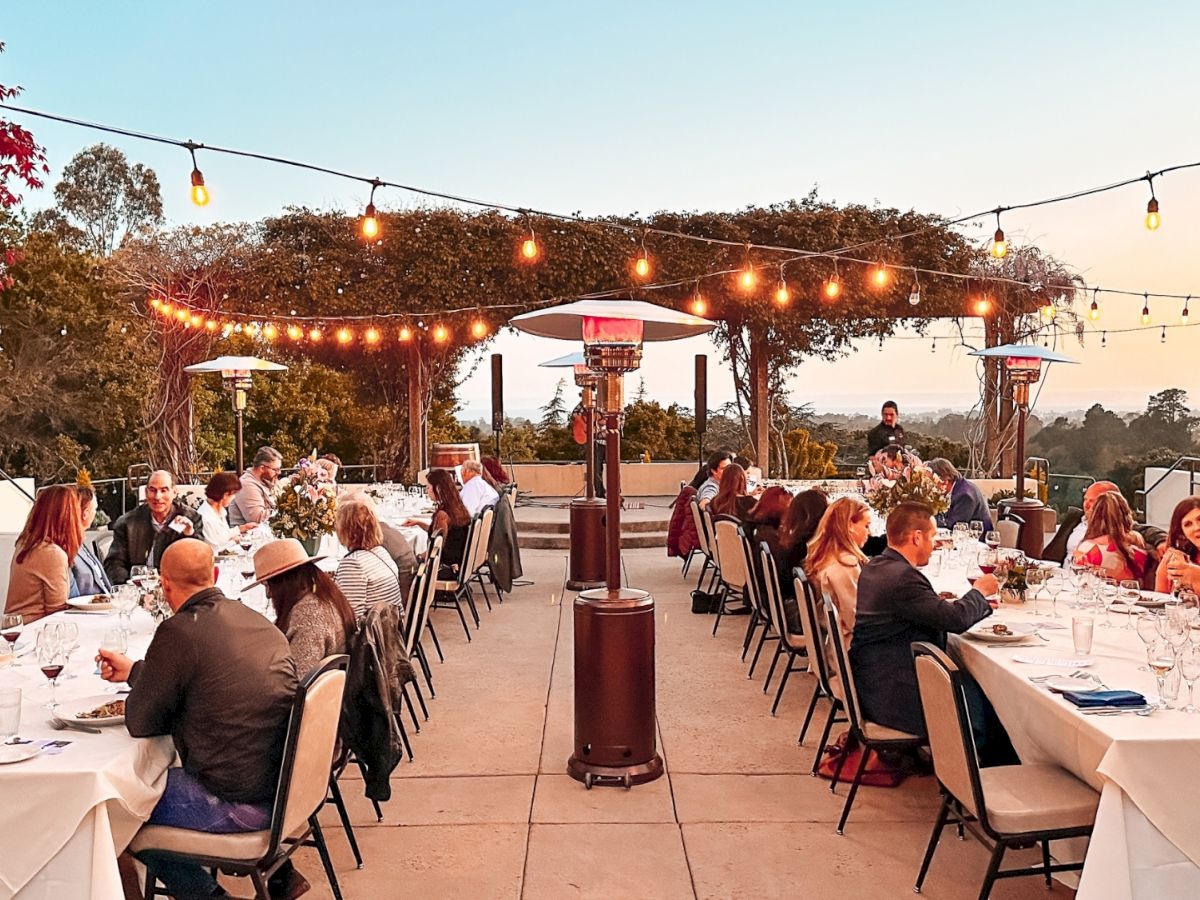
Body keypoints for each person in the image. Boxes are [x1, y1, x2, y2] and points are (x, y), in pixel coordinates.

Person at [96, 540, 301, 900]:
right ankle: (272, 874)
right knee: (139, 789)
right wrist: (138, 672)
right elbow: (211, 675)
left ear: (165, 586)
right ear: (216, 574)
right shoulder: (256, 621)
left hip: (236, 802)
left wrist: (148, 684)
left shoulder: (178, 631)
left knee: (114, 808)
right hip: (285, 789)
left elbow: (141, 721)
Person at [851, 501, 996, 737]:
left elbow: (917, 610)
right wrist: (980, 592)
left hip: (873, 681)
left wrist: (935, 602)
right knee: (991, 704)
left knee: (978, 691)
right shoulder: (903, 578)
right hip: (894, 696)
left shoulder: (876, 566)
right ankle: (973, 769)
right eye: (932, 537)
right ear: (917, 538)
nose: (934, 544)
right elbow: (955, 620)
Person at [250, 538, 356, 675]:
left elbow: (299, 677)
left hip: (317, 694)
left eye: (267, 585)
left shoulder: (309, 613)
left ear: (284, 583)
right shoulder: (324, 595)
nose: (268, 595)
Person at [103, 470, 204, 586]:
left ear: (174, 492)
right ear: (146, 492)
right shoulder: (128, 523)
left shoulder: (191, 518)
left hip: (177, 589)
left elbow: (200, 561)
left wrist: (189, 534)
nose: (157, 496)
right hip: (138, 589)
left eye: (163, 490)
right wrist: (126, 588)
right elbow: (114, 563)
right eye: (153, 490)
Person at [5, 486, 80, 622]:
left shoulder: (25, 543)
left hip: (16, 627)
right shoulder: (51, 553)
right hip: (34, 632)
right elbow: (57, 612)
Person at [804, 496, 871, 646]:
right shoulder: (844, 565)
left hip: (835, 642)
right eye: (866, 525)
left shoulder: (825, 557)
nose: (870, 532)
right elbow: (854, 619)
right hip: (850, 647)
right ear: (850, 526)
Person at [334, 499, 404, 619]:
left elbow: (351, 618)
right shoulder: (381, 552)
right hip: (390, 631)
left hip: (370, 636)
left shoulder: (353, 563)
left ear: (345, 529)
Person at [409, 468, 473, 579]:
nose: (426, 491)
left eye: (428, 487)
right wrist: (418, 523)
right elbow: (444, 533)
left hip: (445, 569)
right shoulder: (457, 507)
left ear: (438, 489)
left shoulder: (443, 515)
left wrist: (418, 557)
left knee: (405, 565)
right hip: (459, 564)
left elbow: (437, 547)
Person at [1072, 491, 1148, 583]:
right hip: (1130, 593)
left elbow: (1076, 578)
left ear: (1093, 516)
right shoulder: (1137, 545)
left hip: (1098, 594)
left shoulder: (1087, 548)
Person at [69, 484, 115, 598]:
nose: (96, 513)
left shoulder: (81, 543)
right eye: (95, 509)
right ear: (85, 514)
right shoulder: (68, 548)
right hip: (88, 611)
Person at [926, 458, 993, 533]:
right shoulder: (955, 489)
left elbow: (954, 525)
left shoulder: (965, 495)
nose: (930, 486)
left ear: (945, 480)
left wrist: (927, 522)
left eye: (932, 481)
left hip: (976, 540)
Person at [198, 471, 255, 552]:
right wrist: (235, 540)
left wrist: (242, 528)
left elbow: (222, 535)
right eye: (233, 494)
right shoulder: (205, 517)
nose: (234, 497)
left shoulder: (219, 510)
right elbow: (214, 549)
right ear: (225, 495)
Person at [228, 447, 283, 526]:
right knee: (293, 539)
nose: (279, 472)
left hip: (264, 532)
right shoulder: (246, 485)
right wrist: (284, 509)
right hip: (248, 535)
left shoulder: (265, 481)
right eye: (276, 469)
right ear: (262, 468)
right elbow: (257, 519)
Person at [1156, 496, 1200, 595]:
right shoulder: (1178, 558)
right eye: (1188, 524)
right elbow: (1159, 599)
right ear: (1182, 533)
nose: (1197, 527)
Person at [570, 401, 606, 498]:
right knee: (596, 469)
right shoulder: (588, 401)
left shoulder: (613, 402)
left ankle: (615, 493)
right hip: (594, 441)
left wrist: (602, 423)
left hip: (610, 441)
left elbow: (619, 419)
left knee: (614, 468)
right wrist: (588, 425)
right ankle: (600, 494)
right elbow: (574, 414)